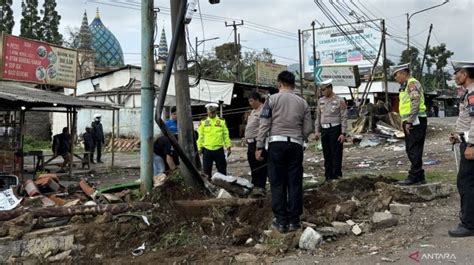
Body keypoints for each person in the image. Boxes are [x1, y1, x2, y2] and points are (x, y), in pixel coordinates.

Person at [256, 71, 313, 233]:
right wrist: (298, 137)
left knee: (277, 182)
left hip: (276, 145)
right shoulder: (303, 103)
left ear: (279, 83)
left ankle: (281, 221)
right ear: (294, 84)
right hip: (295, 145)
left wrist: (259, 146)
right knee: (294, 183)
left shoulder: (271, 100)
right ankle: (294, 221)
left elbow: (264, 124)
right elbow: (308, 128)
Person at [448, 61, 474, 237]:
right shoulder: (467, 93)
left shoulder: (472, 94)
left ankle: (469, 225)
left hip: (472, 144)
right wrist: (459, 136)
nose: (455, 77)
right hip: (467, 139)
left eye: (457, 73)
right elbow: (467, 121)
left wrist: (471, 144)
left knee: (465, 182)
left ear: (464, 74)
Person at [391, 63, 427, 185]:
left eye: (396, 75)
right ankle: (419, 175)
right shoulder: (405, 86)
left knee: (413, 149)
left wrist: (410, 121)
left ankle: (415, 176)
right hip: (411, 120)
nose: (395, 78)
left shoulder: (412, 84)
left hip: (415, 120)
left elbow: (415, 102)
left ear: (403, 73)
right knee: (411, 148)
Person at [314, 79, 348, 182]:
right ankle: (328, 175)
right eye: (321, 89)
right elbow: (318, 117)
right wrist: (317, 131)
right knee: (326, 153)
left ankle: (336, 174)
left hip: (335, 129)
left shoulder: (339, 100)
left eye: (324, 89)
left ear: (330, 88)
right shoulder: (321, 101)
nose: (323, 91)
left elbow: (344, 117)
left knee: (336, 153)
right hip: (324, 129)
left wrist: (343, 133)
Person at [196, 103, 232, 178]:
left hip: (219, 149)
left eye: (213, 112)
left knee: (222, 171)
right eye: (209, 112)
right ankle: (209, 186)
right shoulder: (203, 122)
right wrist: (199, 148)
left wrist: (228, 146)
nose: (211, 114)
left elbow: (225, 135)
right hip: (207, 150)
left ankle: (223, 186)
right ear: (207, 112)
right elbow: (200, 136)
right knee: (206, 172)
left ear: (216, 112)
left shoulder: (222, 121)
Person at [244, 92, 267, 196]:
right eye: (249, 101)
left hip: (258, 142)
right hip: (250, 143)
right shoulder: (253, 111)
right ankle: (255, 185)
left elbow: (263, 127)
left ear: (257, 100)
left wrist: (260, 145)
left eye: (251, 101)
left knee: (259, 166)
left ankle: (260, 187)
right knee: (252, 164)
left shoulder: (263, 110)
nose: (250, 103)